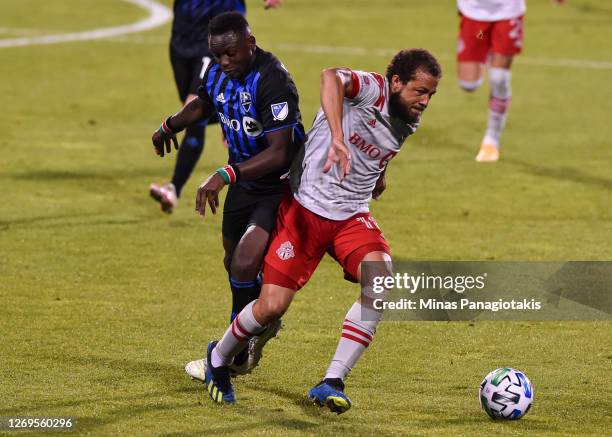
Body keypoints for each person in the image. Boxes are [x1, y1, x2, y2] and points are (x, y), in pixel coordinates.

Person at [199, 49, 441, 410]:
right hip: (304, 211)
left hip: (350, 217)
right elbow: (330, 77)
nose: (425, 101)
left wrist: (380, 174)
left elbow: (379, 146)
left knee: (381, 281)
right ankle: (217, 359)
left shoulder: (407, 118)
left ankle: (332, 381)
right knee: (270, 308)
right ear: (396, 82)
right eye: (420, 91)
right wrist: (338, 136)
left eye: (431, 95)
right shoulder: (371, 89)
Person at [152, 12, 304, 377]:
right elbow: (203, 103)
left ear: (250, 44)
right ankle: (260, 321)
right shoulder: (217, 71)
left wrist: (225, 174)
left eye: (231, 54)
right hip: (243, 182)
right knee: (232, 262)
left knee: (244, 262)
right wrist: (169, 125)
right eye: (218, 55)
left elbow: (280, 151)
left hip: (279, 185)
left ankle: (232, 355)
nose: (224, 62)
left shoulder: (273, 80)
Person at [150, 0, 283, 213]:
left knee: (195, 107)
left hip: (215, 42)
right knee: (202, 103)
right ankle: (232, 118)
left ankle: (174, 187)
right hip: (181, 39)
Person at [457, 0, 566, 162]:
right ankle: (487, 50)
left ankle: (491, 141)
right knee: (469, 85)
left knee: (499, 78)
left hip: (508, 10)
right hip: (474, 11)